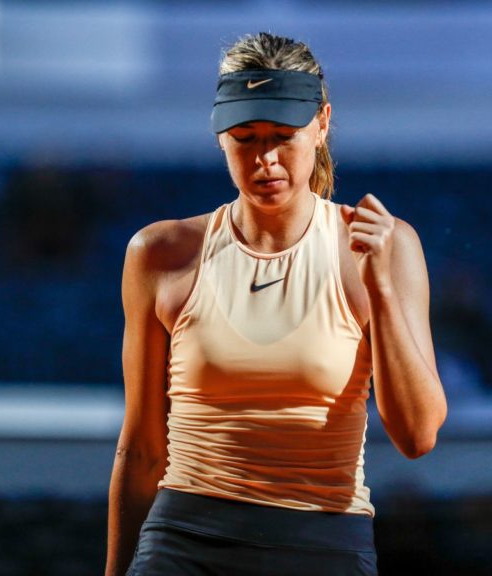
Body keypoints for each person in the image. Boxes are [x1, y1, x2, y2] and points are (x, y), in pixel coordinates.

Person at [105, 32, 447, 576]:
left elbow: (418, 436)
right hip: (182, 542)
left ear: (322, 124)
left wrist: (380, 290)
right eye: (245, 139)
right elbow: (142, 448)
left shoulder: (384, 244)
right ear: (220, 136)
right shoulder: (158, 254)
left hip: (324, 546)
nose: (265, 159)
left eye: (283, 137)